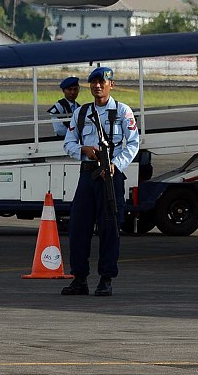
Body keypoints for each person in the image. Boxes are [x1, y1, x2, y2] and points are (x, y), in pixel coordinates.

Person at [60, 66, 140, 298]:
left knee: (109, 227)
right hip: (88, 175)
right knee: (78, 226)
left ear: (111, 84)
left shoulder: (123, 112)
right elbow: (68, 143)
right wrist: (83, 150)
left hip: (111, 177)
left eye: (102, 82)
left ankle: (106, 279)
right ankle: (79, 278)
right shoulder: (82, 113)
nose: (97, 86)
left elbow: (133, 143)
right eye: (93, 82)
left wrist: (116, 164)